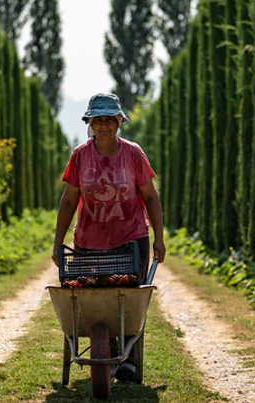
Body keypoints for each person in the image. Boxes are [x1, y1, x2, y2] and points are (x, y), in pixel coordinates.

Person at [51, 93, 166, 382]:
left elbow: (151, 198)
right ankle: (110, 352)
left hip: (131, 238)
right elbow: (68, 202)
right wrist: (57, 242)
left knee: (128, 299)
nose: (104, 126)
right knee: (96, 300)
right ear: (89, 123)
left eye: (110, 120)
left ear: (119, 122)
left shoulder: (133, 154)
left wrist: (159, 238)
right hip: (89, 243)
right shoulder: (80, 156)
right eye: (98, 120)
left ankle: (127, 360)